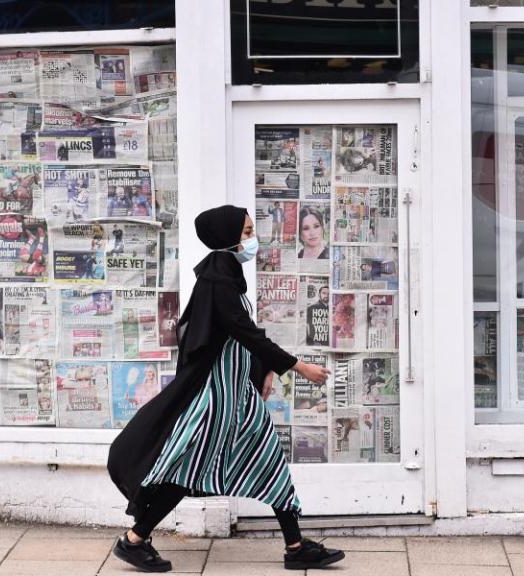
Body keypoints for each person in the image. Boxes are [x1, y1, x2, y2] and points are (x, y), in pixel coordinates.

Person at [107, 205, 345, 572]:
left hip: (237, 395)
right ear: (227, 237)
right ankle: (134, 540)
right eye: (247, 232)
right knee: (187, 470)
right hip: (217, 397)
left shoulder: (227, 275)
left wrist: (264, 369)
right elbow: (243, 331)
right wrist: (298, 367)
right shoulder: (218, 280)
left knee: (269, 461)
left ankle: (296, 546)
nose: (252, 239)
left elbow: (243, 335)